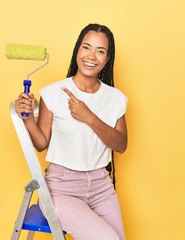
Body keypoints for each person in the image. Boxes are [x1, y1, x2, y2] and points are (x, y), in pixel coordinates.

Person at [15, 23, 128, 240]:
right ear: (78, 50)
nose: (92, 56)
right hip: (62, 188)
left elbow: (121, 145)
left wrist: (89, 117)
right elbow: (41, 143)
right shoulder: (53, 92)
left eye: (100, 51)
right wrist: (28, 119)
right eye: (86, 47)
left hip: (101, 187)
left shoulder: (115, 98)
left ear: (107, 58)